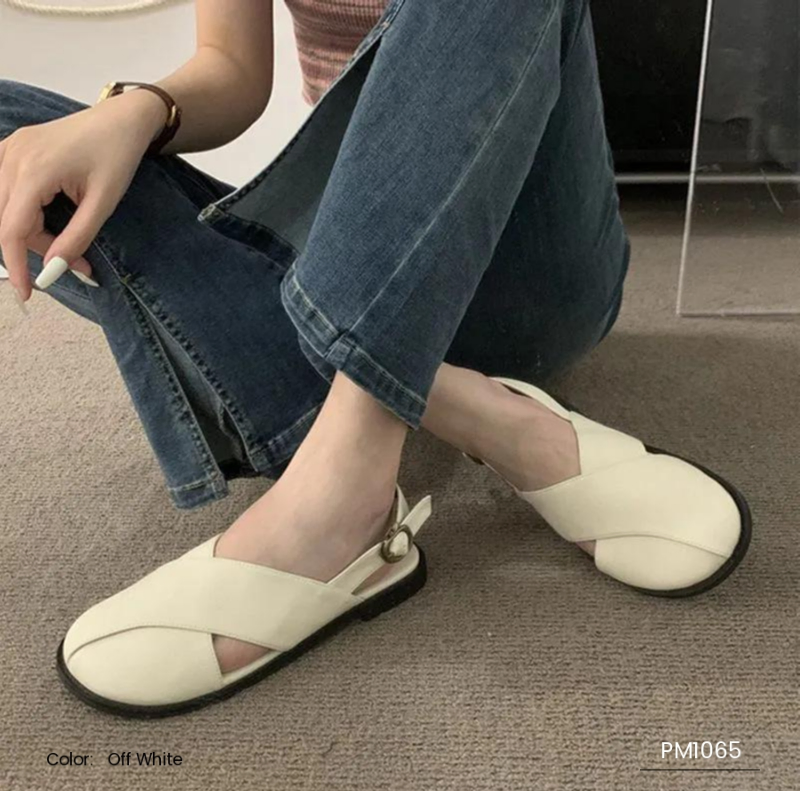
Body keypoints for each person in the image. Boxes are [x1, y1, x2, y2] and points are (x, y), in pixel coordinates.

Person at [0, 0, 750, 718]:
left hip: (523, 259)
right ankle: (468, 406)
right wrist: (137, 110)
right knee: (11, 139)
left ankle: (341, 498)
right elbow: (230, 68)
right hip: (360, 250)